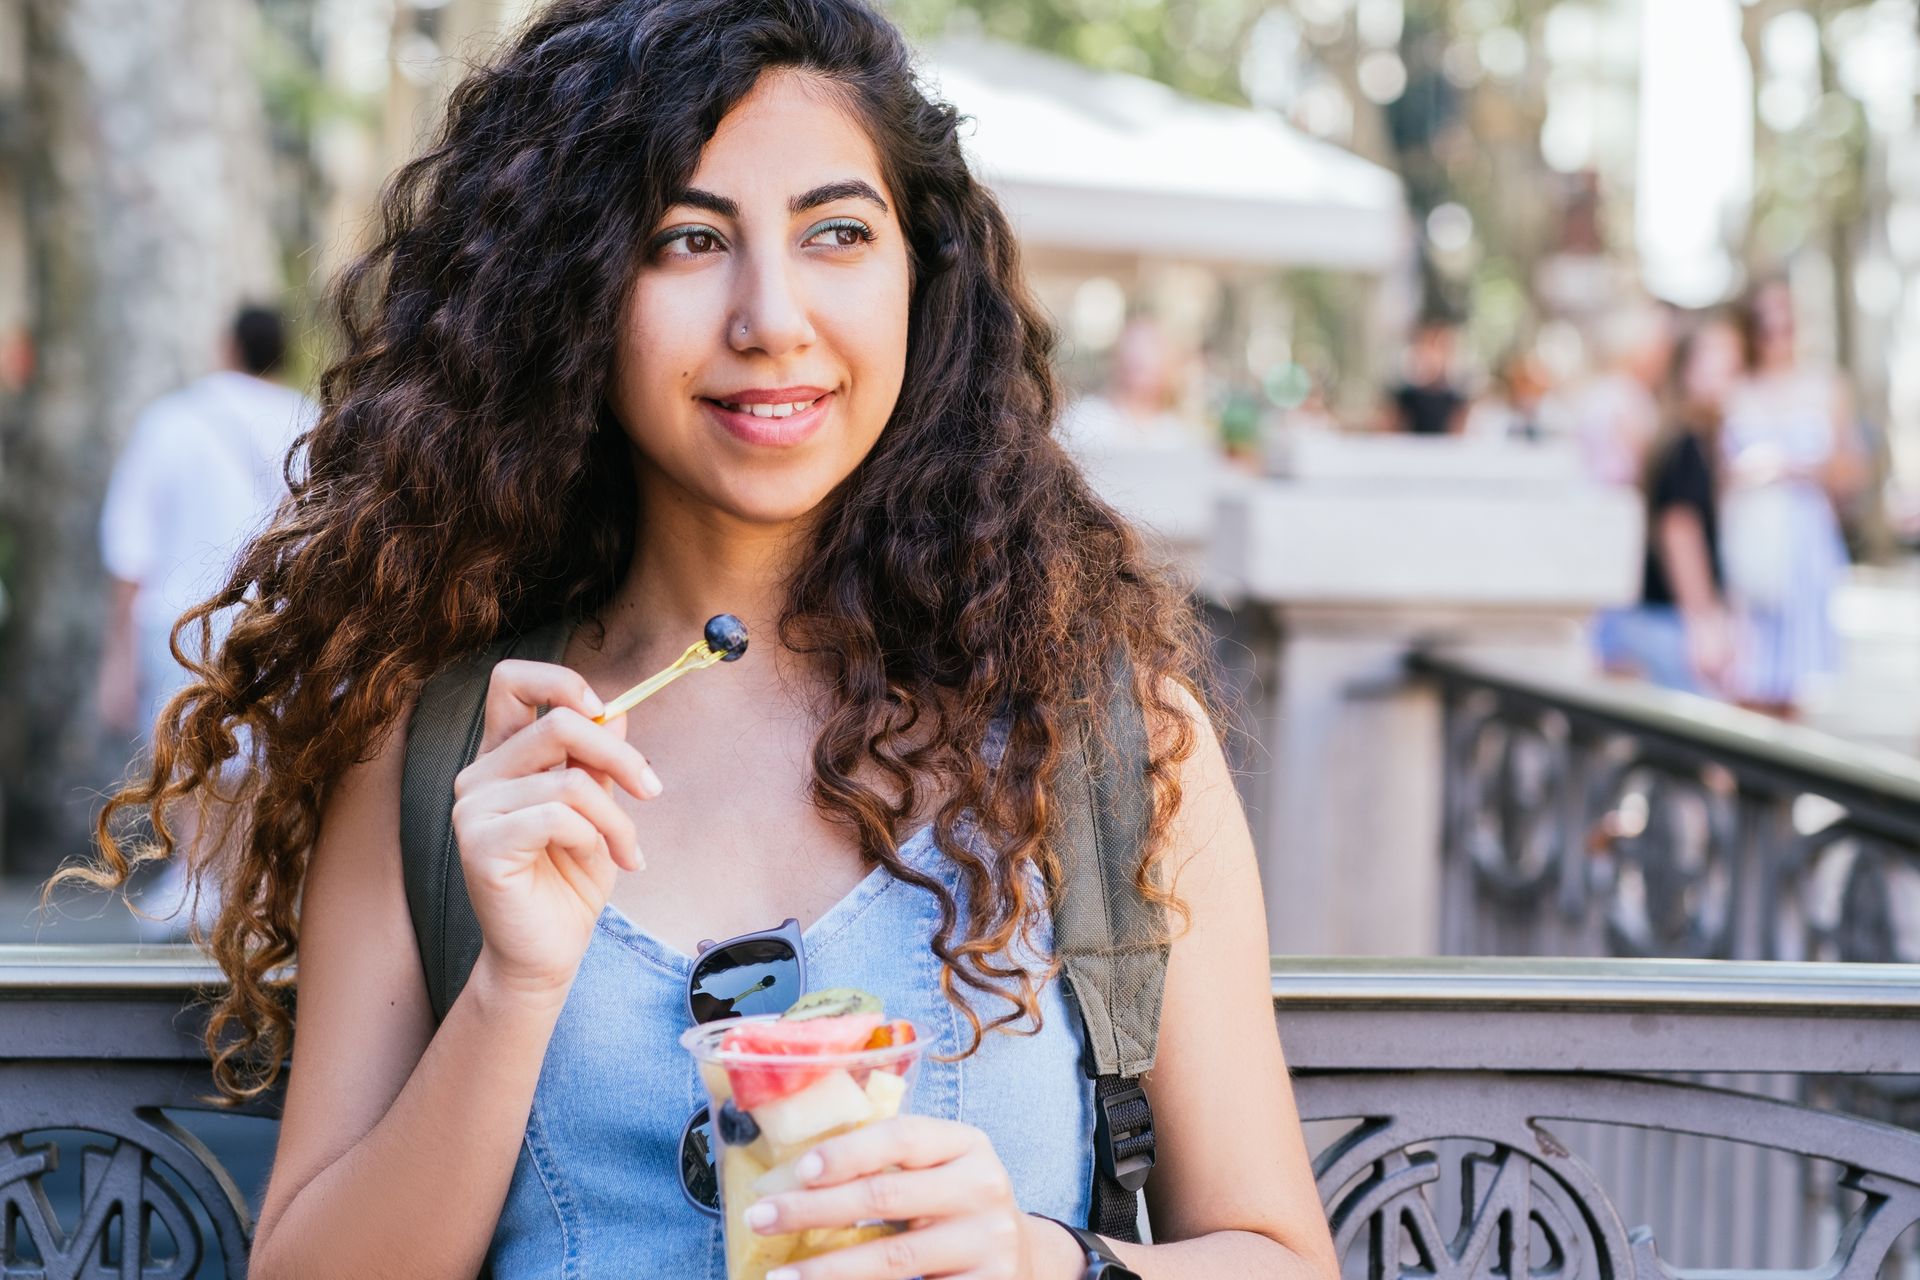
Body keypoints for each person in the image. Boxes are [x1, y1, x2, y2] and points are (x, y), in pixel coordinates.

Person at [66, 2, 1340, 1277]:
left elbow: (1285, 1256)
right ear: (571, 292)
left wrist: (1043, 1258)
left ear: (920, 273)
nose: (772, 316)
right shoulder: (444, 744)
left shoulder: (1101, 730)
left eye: (838, 232)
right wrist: (513, 987)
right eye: (688, 239)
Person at [95, 303, 315, 937]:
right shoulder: (307, 420)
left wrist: (115, 656)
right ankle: (247, 884)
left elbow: (129, 542)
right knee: (257, 751)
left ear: (226, 347)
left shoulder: (172, 421)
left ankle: (193, 880)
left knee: (188, 751)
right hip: (271, 620)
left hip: (180, 623)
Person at [1718, 280, 1866, 717]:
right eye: (1766, 321)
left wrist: (1795, 469)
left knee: (1792, 687)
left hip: (1802, 546)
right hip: (1748, 543)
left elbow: (1851, 472)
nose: (1777, 330)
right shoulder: (1734, 388)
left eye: (1785, 319)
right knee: (1743, 678)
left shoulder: (1827, 386)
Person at [1596, 314, 1742, 694]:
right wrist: (1704, 624)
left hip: (1657, 621)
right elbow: (1679, 531)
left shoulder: (1684, 439)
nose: (1728, 371)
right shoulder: (1684, 444)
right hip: (1667, 625)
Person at [1384, 317, 1466, 436]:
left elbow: (1460, 438)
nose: (1434, 355)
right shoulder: (1404, 397)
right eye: (1429, 345)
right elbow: (1388, 435)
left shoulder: (1457, 401)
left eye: (1441, 347)